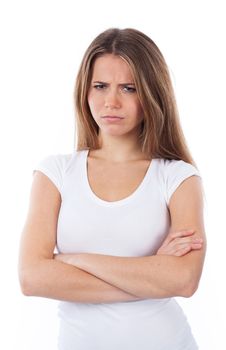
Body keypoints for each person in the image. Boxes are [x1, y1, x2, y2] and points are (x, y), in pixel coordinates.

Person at [18, 27, 206, 349]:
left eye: (129, 88)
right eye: (100, 86)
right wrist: (150, 278)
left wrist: (73, 260)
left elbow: (184, 280)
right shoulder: (55, 173)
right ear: (84, 91)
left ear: (151, 93)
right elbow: (32, 277)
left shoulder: (178, 178)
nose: (111, 101)